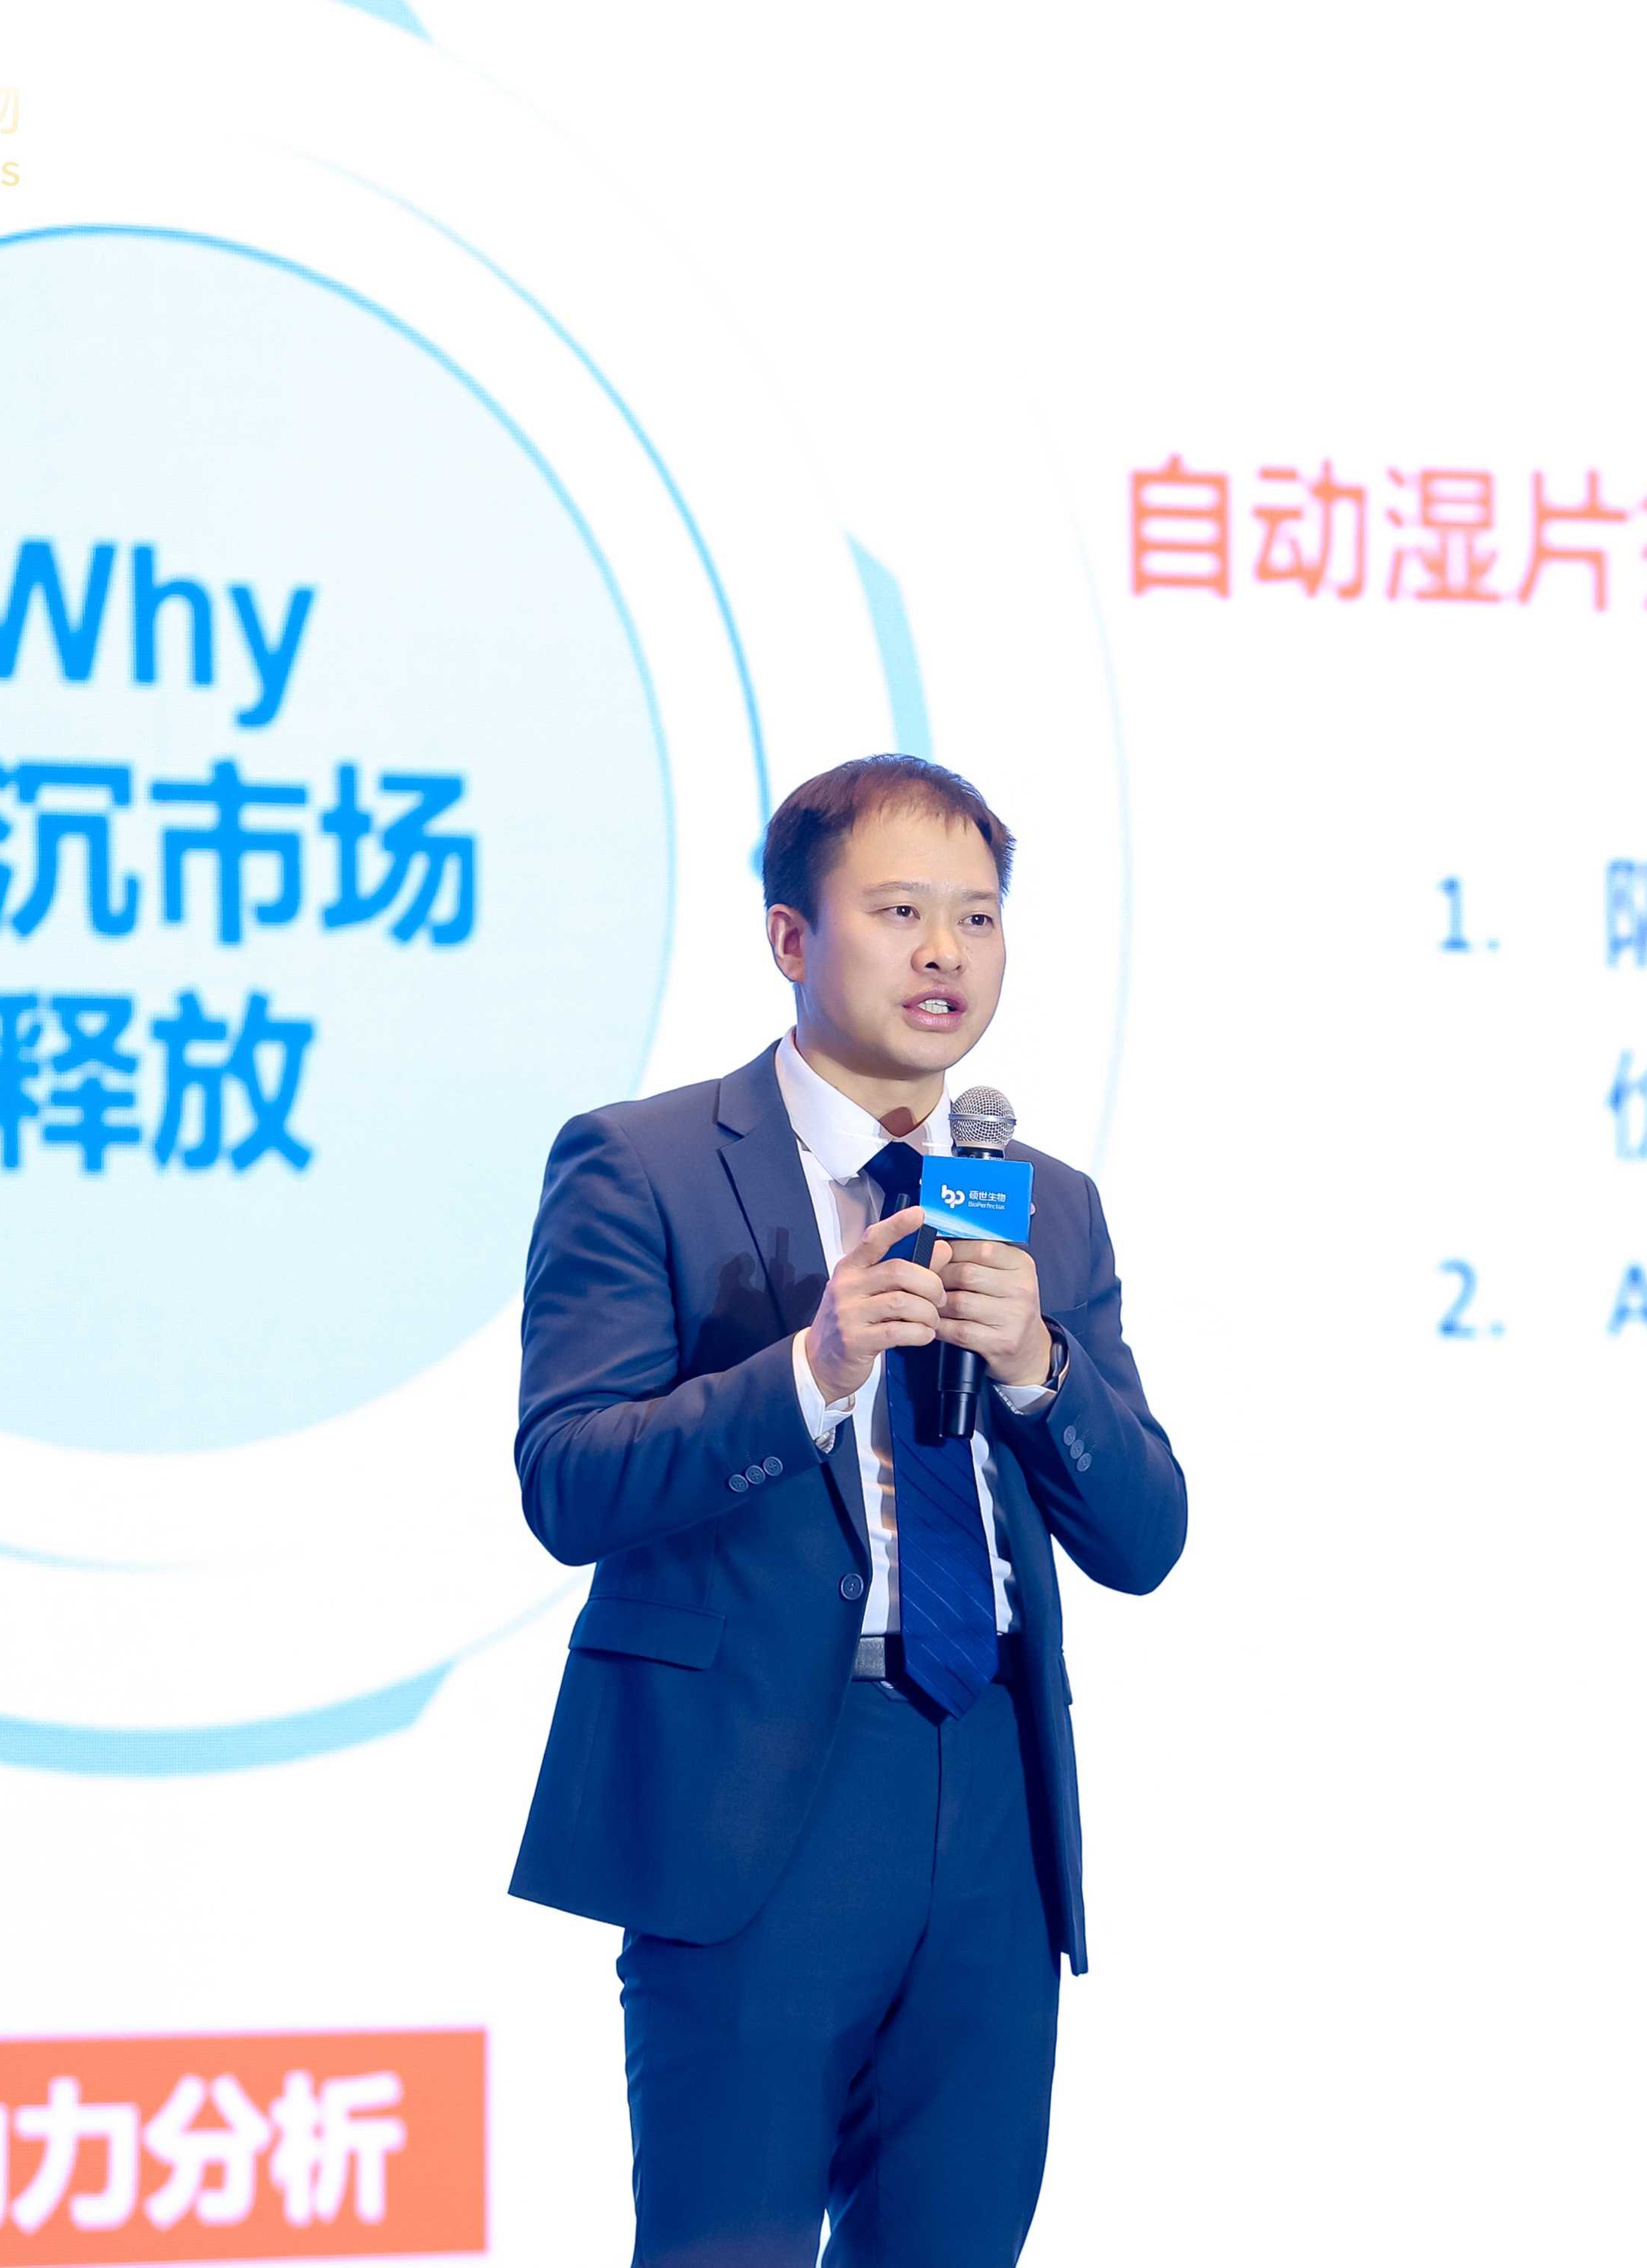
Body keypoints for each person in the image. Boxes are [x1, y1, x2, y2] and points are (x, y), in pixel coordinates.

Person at [507, 754, 1187, 2266]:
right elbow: (569, 1478)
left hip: (991, 1783)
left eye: (979, 917)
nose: (947, 953)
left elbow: (1146, 1538)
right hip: (760, 1793)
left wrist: (1038, 1366)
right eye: (900, 912)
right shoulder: (645, 1164)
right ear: (790, 935)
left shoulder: (1047, 1204)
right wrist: (808, 1372)